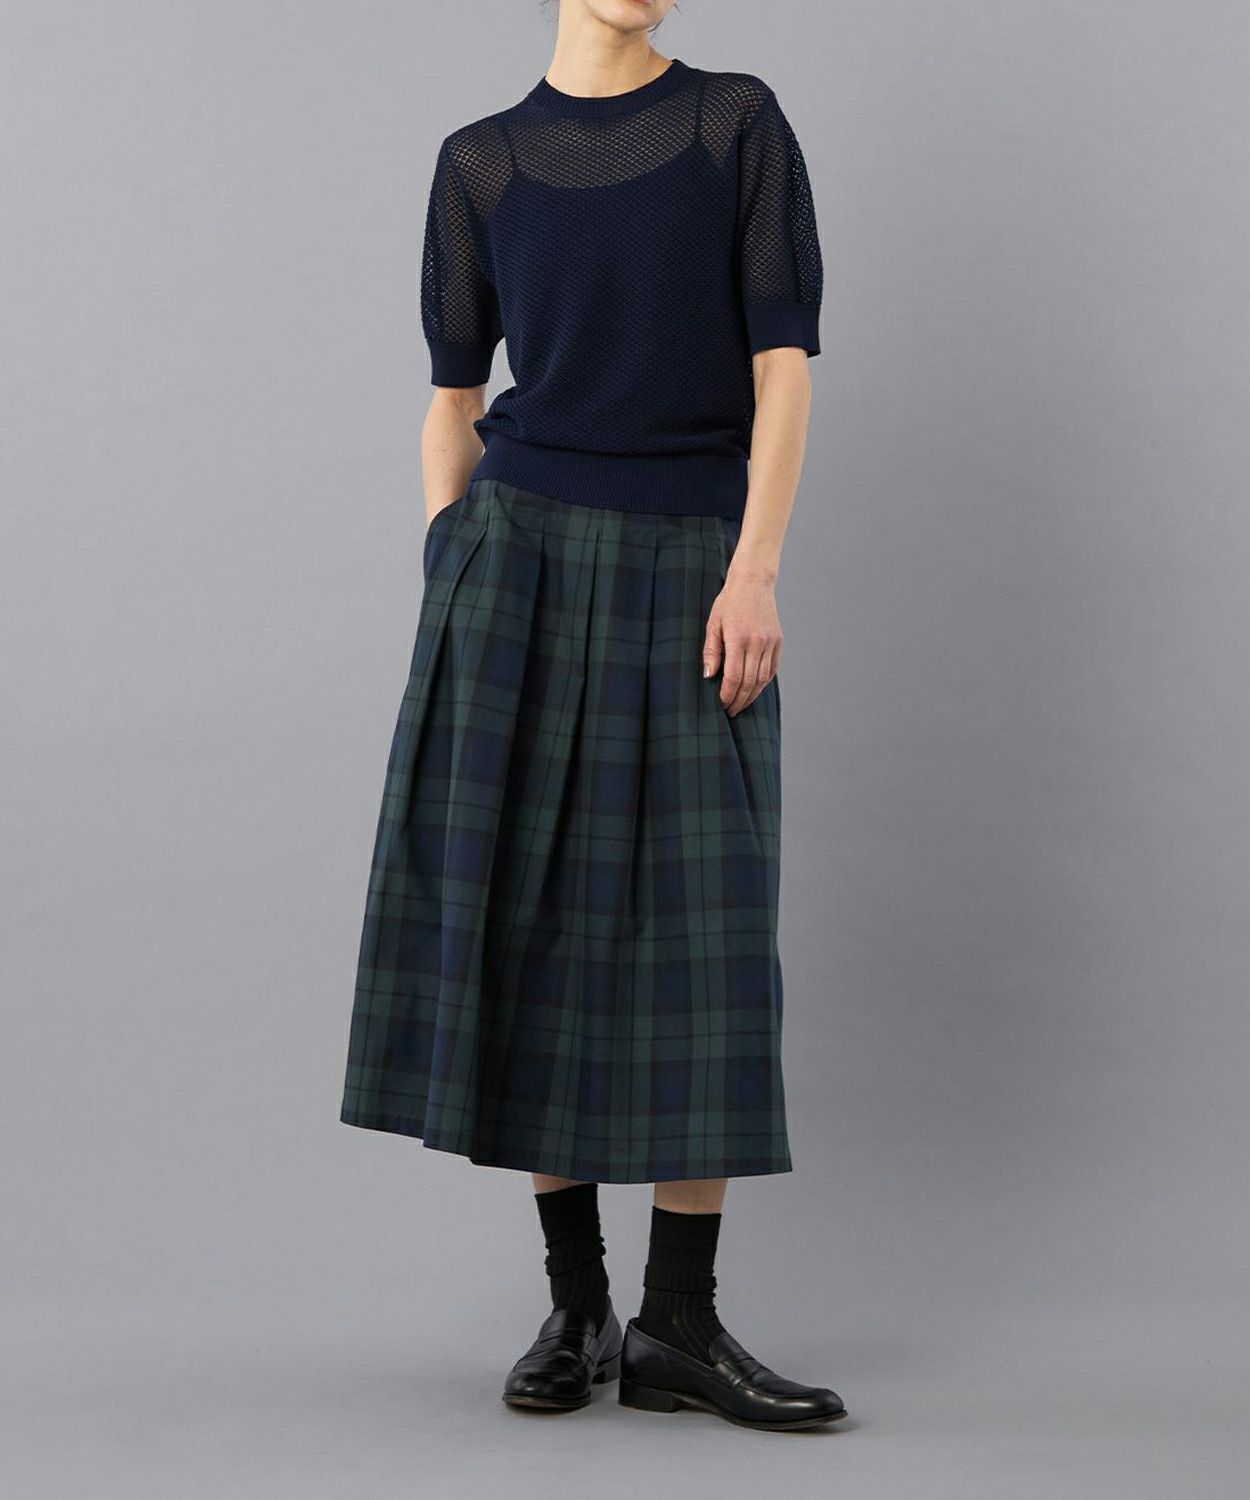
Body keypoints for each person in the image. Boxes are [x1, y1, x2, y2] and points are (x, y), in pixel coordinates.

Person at [340, 0, 846, 1431]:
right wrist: (452, 558)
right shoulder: (480, 161)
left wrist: (755, 568)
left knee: (708, 930)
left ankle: (677, 1322)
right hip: (516, 565)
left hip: (694, 561)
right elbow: (453, 395)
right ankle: (577, 1305)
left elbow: (784, 365)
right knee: (530, 917)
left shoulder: (734, 122)